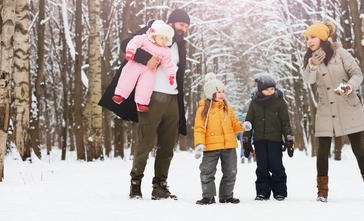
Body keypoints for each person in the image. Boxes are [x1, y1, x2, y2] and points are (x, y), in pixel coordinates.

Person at [99, 9, 191, 200]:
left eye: (187, 26)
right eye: (182, 25)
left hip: (172, 99)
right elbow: (127, 45)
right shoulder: (154, 31)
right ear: (172, 22)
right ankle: (135, 183)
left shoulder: (181, 45)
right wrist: (146, 59)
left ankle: (160, 186)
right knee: (146, 142)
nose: (184, 29)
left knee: (167, 145)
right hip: (151, 97)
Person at [302, 21, 364, 202]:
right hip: (325, 110)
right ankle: (322, 192)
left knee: (359, 150)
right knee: (322, 151)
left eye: (312, 37)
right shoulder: (310, 59)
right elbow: (308, 79)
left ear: (322, 37)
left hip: (348, 107)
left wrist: (348, 86)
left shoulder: (340, 53)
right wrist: (312, 66)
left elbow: (357, 74)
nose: (309, 41)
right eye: (307, 38)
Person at [193, 73, 251, 205]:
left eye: (223, 91)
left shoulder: (227, 108)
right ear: (210, 92)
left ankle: (226, 196)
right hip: (211, 146)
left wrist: (243, 126)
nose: (221, 94)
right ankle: (208, 196)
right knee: (207, 171)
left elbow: (234, 124)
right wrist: (199, 143)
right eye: (218, 91)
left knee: (230, 172)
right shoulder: (203, 109)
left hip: (229, 146)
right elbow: (199, 128)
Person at [243, 74, 294, 201]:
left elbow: (285, 122)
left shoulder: (280, 102)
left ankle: (279, 191)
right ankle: (262, 192)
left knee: (277, 166)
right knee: (262, 167)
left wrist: (288, 138)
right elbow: (249, 123)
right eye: (266, 89)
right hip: (259, 140)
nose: (270, 91)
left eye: (272, 88)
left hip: (275, 140)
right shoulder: (254, 103)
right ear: (260, 90)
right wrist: (246, 140)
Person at [112, 20, 177, 112]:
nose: (163, 41)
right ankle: (120, 94)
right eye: (161, 38)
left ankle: (142, 102)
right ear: (154, 35)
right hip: (135, 65)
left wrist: (171, 75)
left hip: (149, 71)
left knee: (146, 85)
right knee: (128, 77)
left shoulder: (165, 51)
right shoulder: (144, 39)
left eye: (166, 39)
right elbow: (133, 42)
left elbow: (168, 64)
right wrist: (131, 51)